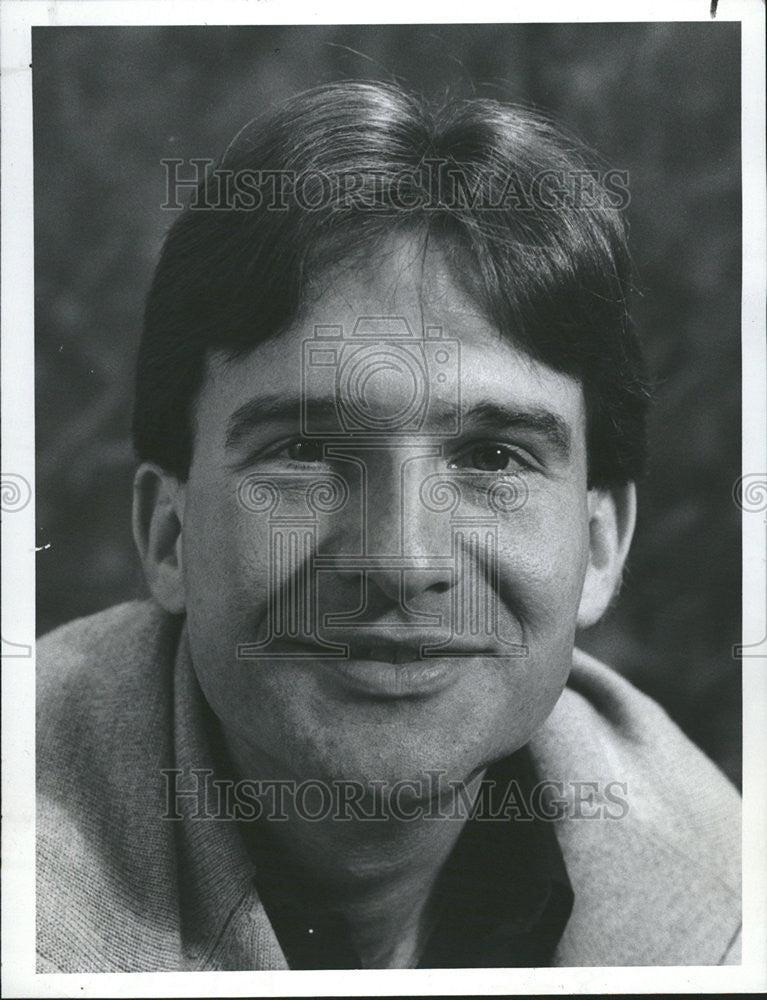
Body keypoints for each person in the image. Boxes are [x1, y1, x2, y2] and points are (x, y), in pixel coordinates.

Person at [36, 81, 741, 972]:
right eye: (302, 449)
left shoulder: (719, 900)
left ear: (600, 547)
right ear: (169, 534)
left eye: (491, 458)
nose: (402, 559)